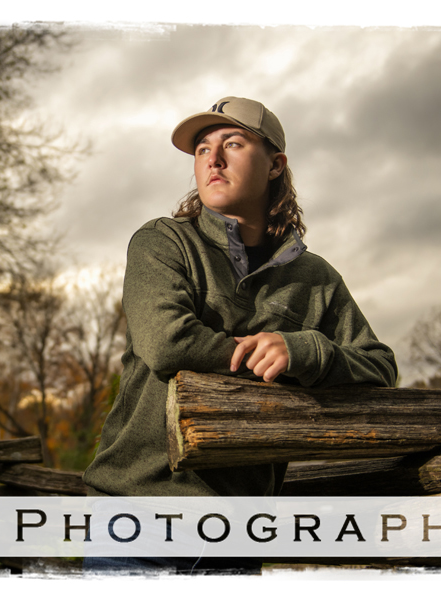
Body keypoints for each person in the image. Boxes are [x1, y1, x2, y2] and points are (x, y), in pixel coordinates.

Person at [81, 96, 398, 575]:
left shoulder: (316, 278)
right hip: (136, 523)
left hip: (236, 542)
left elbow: (379, 367)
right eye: (203, 148)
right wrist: (263, 359)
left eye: (233, 142)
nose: (213, 157)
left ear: (275, 165)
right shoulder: (163, 242)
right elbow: (168, 343)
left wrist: (304, 350)